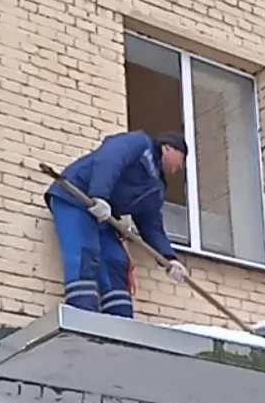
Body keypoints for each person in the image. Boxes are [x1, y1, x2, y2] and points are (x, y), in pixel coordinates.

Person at [45, 131, 190, 317]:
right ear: (167, 148)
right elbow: (110, 158)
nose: (181, 166)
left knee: (115, 261)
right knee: (85, 252)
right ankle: (82, 316)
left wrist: (169, 258)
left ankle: (120, 320)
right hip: (76, 198)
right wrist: (100, 195)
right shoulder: (140, 144)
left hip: (104, 216)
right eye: (182, 159)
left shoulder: (155, 187)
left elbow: (151, 224)